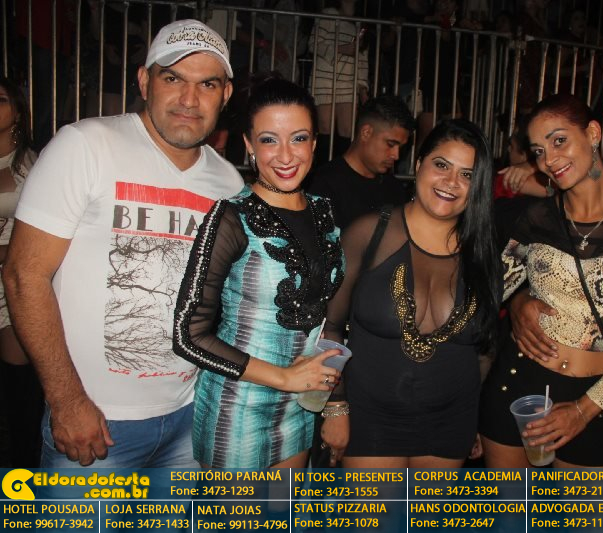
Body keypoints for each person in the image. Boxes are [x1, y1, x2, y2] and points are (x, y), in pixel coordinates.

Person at [2, 19, 244, 468]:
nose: (189, 99)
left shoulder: (228, 183)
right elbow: (23, 276)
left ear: (225, 94)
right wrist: (66, 400)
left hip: (191, 418)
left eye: (207, 84)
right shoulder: (85, 145)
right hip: (95, 422)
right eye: (173, 78)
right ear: (145, 81)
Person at [479, 94, 603, 468]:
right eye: (538, 151)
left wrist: (584, 410)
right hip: (517, 384)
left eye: (559, 141)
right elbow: (492, 289)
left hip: (593, 397)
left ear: (593, 134)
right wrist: (517, 301)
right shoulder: (537, 217)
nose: (549, 160)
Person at [172, 78, 345, 469]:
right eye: (269, 140)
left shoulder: (324, 212)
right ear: (249, 145)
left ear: (314, 143)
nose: (285, 155)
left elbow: (330, 318)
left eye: (298, 138)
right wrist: (284, 378)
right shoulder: (231, 217)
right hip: (238, 406)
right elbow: (188, 334)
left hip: (301, 404)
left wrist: (334, 402)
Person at [320, 119, 501, 468]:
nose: (451, 182)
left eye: (467, 174)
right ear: (418, 164)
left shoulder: (483, 252)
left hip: (451, 424)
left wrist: (475, 416)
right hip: (370, 419)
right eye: (441, 165)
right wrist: (335, 405)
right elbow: (329, 326)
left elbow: (485, 348)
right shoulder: (369, 233)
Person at [0, 77, 41, 467]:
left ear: (17, 111)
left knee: (20, 381)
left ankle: (22, 470)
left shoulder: (34, 163)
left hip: (13, 275)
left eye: (0, 100)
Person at [307, 95, 414, 230]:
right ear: (366, 133)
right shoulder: (322, 185)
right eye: (390, 144)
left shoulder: (395, 189)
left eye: (400, 148)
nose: (396, 155)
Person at [309, 0, 369, 154]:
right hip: (324, 80)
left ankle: (340, 168)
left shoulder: (359, 21)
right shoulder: (329, 14)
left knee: (347, 132)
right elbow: (314, 44)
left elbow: (362, 57)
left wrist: (362, 87)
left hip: (348, 82)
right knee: (325, 130)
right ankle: (323, 168)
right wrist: (342, 49)